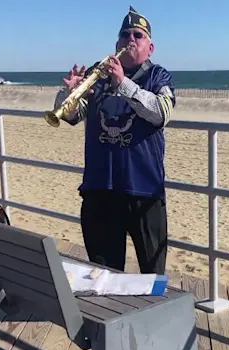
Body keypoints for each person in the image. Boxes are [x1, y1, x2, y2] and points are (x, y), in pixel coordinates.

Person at [54, 6, 175, 275]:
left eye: (137, 35)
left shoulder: (159, 76)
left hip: (144, 191)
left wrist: (124, 84)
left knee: (152, 275)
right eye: (125, 35)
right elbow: (72, 117)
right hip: (100, 190)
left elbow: (160, 113)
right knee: (104, 277)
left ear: (150, 47)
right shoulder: (98, 74)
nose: (130, 39)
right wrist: (69, 94)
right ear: (116, 43)